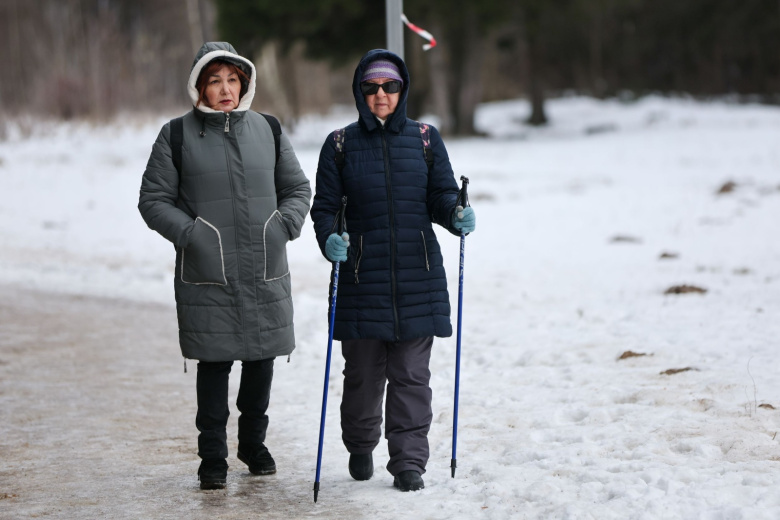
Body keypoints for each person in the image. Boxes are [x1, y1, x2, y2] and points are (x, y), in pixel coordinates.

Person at [138, 42, 311, 490]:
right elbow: (153, 201)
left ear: (245, 83)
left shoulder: (269, 129)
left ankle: (253, 445)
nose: (225, 89)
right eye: (214, 81)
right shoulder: (175, 135)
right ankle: (212, 456)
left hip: (264, 266)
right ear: (199, 87)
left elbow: (297, 188)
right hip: (208, 271)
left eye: (232, 80)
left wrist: (282, 226)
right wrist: (193, 235)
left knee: (261, 360)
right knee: (214, 366)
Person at [310, 49, 476, 492]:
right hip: (362, 281)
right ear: (359, 92)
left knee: (411, 377)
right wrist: (329, 239)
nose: (380, 95)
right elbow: (324, 209)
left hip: (417, 280)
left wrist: (455, 214)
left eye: (390, 86)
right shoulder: (340, 145)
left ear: (402, 90)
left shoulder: (425, 138)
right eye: (371, 87)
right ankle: (360, 443)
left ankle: (408, 463)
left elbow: (441, 196)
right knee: (362, 376)